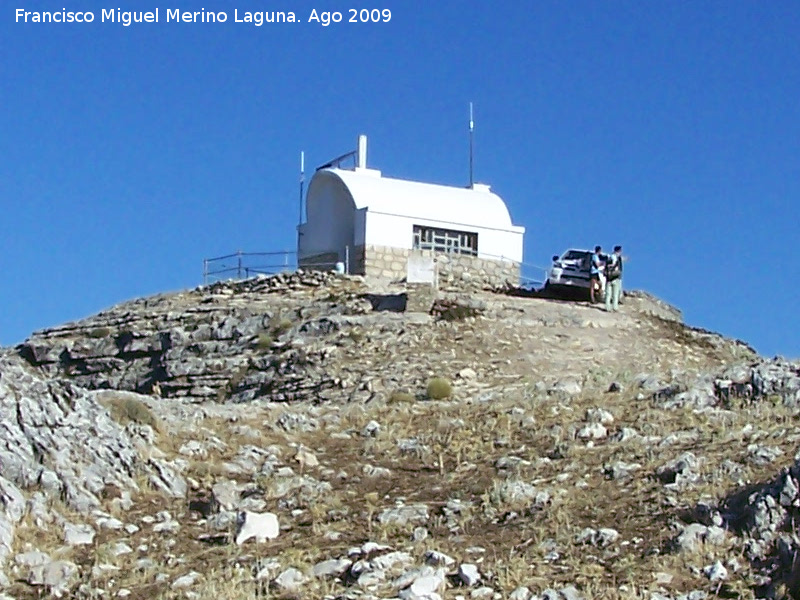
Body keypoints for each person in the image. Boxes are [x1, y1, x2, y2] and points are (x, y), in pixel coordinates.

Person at [604, 245, 623, 312]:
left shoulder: (609, 257)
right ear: (618, 251)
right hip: (615, 277)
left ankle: (607, 307)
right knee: (615, 294)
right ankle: (615, 307)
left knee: (608, 294)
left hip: (608, 277)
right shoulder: (617, 258)